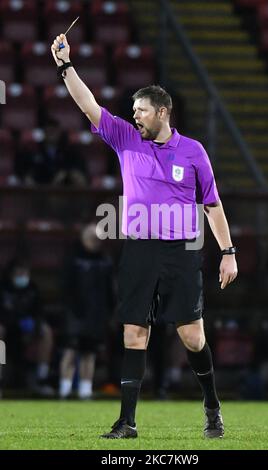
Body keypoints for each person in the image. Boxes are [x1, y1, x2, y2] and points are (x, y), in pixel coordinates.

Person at [51, 34, 238, 439]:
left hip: (182, 251)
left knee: (192, 336)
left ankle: (211, 407)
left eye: (142, 111)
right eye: (133, 110)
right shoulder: (124, 138)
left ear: (163, 112)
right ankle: (127, 422)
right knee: (134, 331)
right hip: (138, 248)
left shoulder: (193, 152)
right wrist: (66, 66)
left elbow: (213, 205)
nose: (134, 116)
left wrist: (228, 252)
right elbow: (87, 103)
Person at [59, 223, 115, 399]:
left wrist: (110, 311)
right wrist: (71, 309)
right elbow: (64, 286)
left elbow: (110, 289)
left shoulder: (105, 261)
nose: (95, 242)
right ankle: (65, 389)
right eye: (92, 238)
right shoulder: (72, 258)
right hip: (75, 313)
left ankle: (85, 389)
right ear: (83, 237)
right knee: (70, 350)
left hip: (96, 314)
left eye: (98, 239)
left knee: (89, 353)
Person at [0, 257, 53, 396]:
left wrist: (35, 325)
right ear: (11, 274)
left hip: (28, 328)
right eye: (19, 274)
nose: (22, 277)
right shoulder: (3, 288)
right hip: (8, 328)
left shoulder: (32, 288)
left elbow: (39, 312)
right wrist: (13, 322)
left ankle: (42, 378)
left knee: (46, 331)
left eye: (25, 274)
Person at [14, 117, 88, 187]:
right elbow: (25, 171)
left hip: (63, 190)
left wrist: (66, 173)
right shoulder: (34, 151)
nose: (51, 134)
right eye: (49, 131)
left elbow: (77, 170)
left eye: (54, 131)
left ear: (59, 132)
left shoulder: (69, 151)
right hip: (40, 189)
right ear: (44, 132)